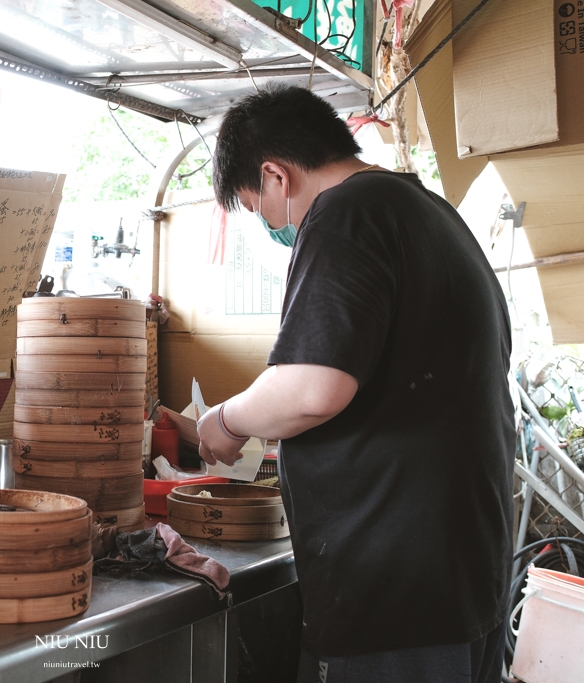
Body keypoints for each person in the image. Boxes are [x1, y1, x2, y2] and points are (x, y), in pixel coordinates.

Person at [198, 83, 514, 683]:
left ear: (275, 176)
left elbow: (313, 387)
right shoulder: (429, 212)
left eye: (255, 206)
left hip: (396, 595)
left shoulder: (348, 212)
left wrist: (224, 421)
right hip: (461, 575)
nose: (269, 226)